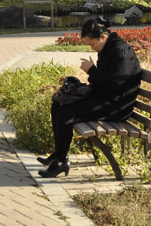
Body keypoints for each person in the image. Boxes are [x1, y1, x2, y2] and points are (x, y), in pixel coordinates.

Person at [37, 17, 143, 178]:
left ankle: (60, 162)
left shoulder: (121, 50)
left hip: (117, 106)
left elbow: (115, 83)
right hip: (105, 99)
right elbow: (104, 82)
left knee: (66, 114)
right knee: (58, 104)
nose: (93, 48)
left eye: (92, 44)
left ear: (103, 37)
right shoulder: (107, 49)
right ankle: (60, 153)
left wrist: (92, 70)